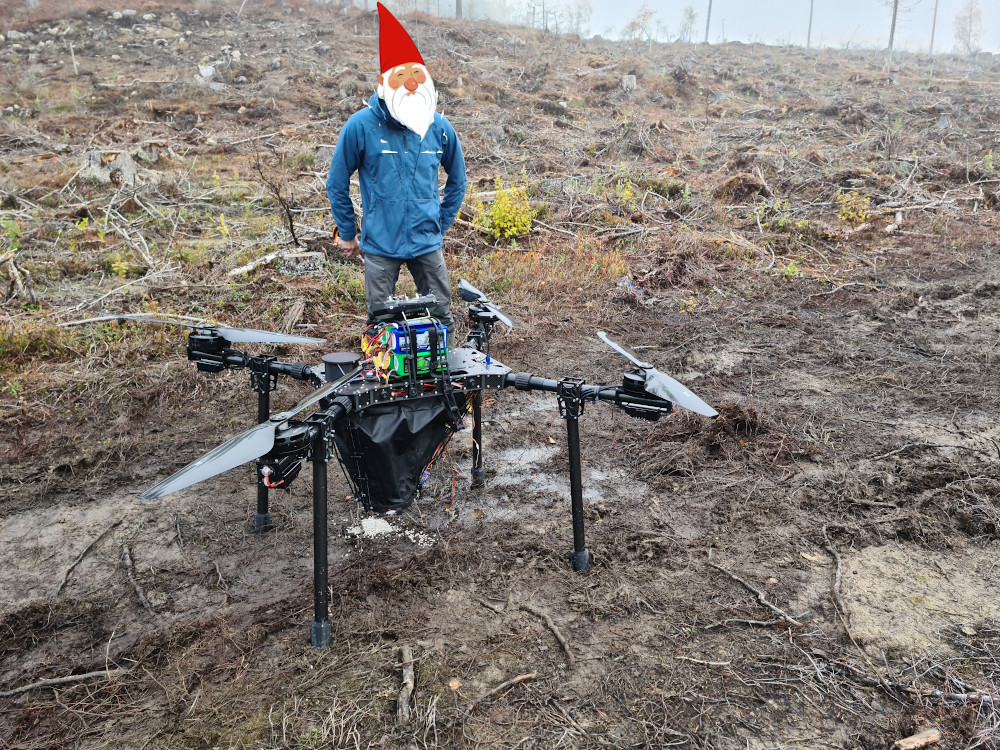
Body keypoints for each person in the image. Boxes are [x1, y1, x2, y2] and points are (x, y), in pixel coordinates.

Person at [326, 2, 467, 338]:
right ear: (384, 82)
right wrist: (347, 232)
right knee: (380, 323)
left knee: (441, 317)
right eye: (402, 78)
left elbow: (458, 181)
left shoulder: (440, 127)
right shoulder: (360, 126)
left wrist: (438, 223)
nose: (412, 85)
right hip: (380, 246)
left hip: (425, 243)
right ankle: (386, 386)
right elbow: (336, 183)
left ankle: (440, 382)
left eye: (417, 76)